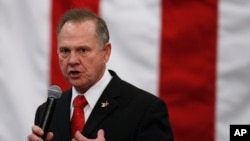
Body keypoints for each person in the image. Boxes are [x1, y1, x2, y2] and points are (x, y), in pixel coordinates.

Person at [27, 8, 174, 141]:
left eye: (83, 50)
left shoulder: (145, 109)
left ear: (106, 53)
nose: (72, 60)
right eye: (65, 51)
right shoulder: (46, 112)